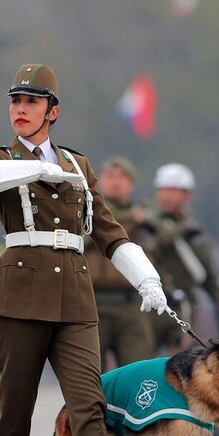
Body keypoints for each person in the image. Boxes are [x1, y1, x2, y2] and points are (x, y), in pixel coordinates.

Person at [0, 63, 168, 436]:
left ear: (52, 111)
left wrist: (147, 278)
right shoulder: (0, 156)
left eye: (32, 102)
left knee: (89, 404)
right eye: (15, 101)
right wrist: (37, 165)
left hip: (75, 296)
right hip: (19, 293)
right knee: (15, 406)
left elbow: (108, 229)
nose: (20, 109)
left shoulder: (77, 164)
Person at [148, 163, 219, 354]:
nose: (166, 196)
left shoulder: (194, 228)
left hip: (185, 301)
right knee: (144, 360)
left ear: (187, 195)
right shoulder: (147, 220)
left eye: (172, 191)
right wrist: (182, 230)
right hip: (149, 302)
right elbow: (159, 240)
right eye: (163, 190)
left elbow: (206, 270)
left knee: (190, 358)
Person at [85, 155, 157, 369]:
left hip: (131, 303)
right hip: (94, 302)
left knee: (138, 369)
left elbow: (157, 244)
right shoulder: (87, 212)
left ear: (131, 183)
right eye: (109, 176)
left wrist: (143, 223)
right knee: (89, 373)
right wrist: (130, 221)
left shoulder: (146, 216)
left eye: (122, 177)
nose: (116, 182)